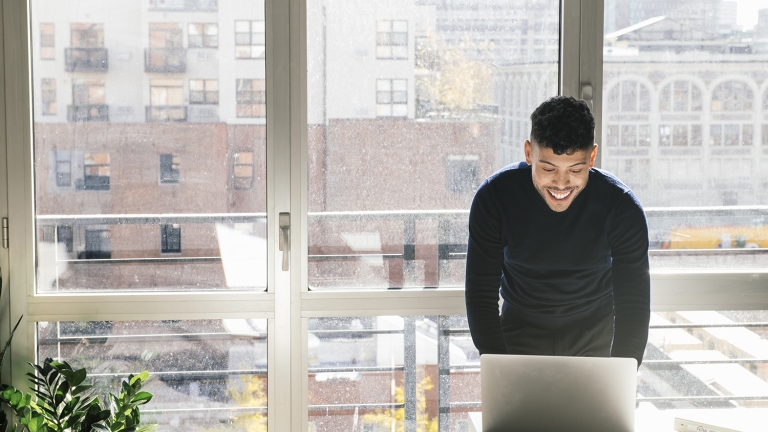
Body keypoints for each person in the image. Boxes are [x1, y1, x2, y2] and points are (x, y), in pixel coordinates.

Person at [465, 96, 650, 367]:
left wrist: (621, 372)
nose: (561, 183)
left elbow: (633, 302)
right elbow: (480, 294)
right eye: (548, 168)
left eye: (575, 169)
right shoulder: (494, 198)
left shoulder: (621, 207)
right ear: (529, 153)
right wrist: (498, 367)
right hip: (518, 334)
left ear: (592, 157)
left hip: (595, 337)